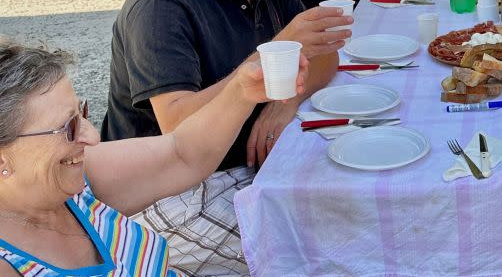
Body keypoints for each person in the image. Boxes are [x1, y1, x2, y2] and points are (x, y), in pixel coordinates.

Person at [100, 0, 349, 274]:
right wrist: (264, 64)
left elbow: (326, 55)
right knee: (326, 245)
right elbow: (180, 132)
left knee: (360, 196)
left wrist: (283, 104)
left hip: (248, 165)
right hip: (170, 194)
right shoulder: (161, 4)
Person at [0, 41, 308, 277]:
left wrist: (242, 92)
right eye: (68, 128)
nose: (92, 137)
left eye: (82, 114)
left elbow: (183, 153)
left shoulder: (76, 183)